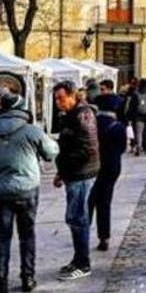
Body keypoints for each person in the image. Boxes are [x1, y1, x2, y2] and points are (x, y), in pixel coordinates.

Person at [0, 90, 59, 293]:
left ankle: (0, 281)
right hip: (27, 189)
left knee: (2, 236)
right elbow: (51, 152)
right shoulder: (31, 131)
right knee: (27, 235)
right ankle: (28, 277)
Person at [53, 81, 100, 281]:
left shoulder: (83, 115)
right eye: (56, 99)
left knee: (78, 217)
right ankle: (78, 258)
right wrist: (61, 172)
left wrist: (65, 167)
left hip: (81, 173)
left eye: (61, 98)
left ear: (72, 96)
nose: (58, 103)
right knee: (74, 217)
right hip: (74, 173)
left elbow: (87, 148)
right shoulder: (72, 115)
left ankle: (83, 263)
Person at [89, 91, 128, 252]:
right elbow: (123, 148)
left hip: (93, 167)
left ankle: (83, 232)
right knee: (105, 202)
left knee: (89, 200)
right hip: (112, 167)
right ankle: (104, 237)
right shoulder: (118, 126)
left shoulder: (92, 124)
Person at [127, 78, 146, 155]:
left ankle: (138, 149)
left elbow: (131, 106)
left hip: (138, 115)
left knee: (139, 133)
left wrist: (130, 116)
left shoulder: (135, 94)